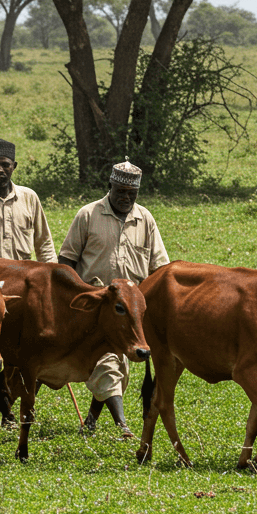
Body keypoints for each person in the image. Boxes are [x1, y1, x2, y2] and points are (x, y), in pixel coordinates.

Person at [58, 159, 169, 437]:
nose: (125, 198)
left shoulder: (145, 219)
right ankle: (122, 425)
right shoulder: (88, 214)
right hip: (98, 303)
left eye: (131, 194)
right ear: (110, 186)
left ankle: (91, 422)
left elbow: (158, 267)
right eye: (120, 191)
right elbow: (66, 261)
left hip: (130, 309)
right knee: (106, 362)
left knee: (122, 364)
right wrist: (76, 296)